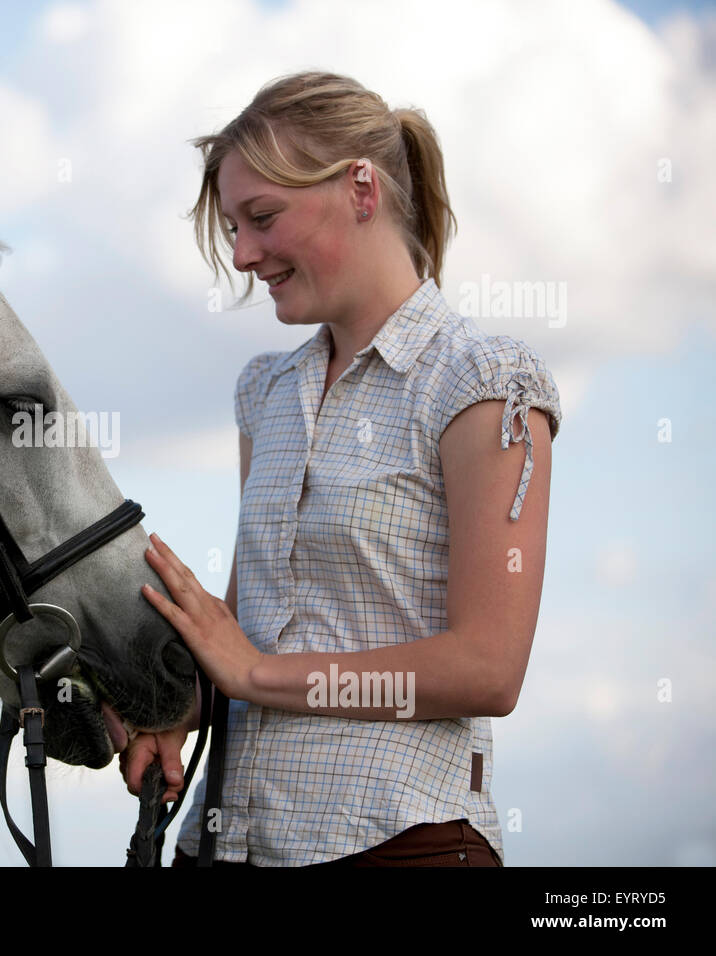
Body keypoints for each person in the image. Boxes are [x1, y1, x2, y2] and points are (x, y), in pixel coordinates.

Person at [121, 71, 563, 867]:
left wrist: (257, 672)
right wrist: (175, 705)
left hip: (398, 846)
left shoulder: (482, 380)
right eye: (233, 227)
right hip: (224, 844)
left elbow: (488, 669)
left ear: (362, 189)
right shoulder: (265, 390)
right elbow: (254, 630)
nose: (244, 254)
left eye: (262, 218)